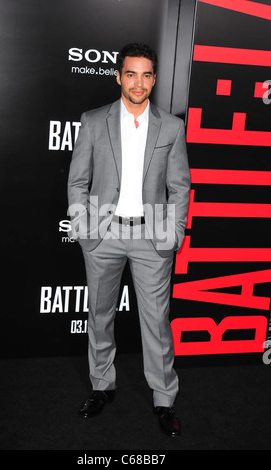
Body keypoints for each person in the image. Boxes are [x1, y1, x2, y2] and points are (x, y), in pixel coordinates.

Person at [67, 42, 190, 437]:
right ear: (119, 76)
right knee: (100, 316)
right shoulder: (92, 120)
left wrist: (174, 232)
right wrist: (83, 223)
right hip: (103, 233)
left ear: (154, 78)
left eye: (147, 74)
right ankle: (102, 386)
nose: (139, 83)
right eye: (131, 73)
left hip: (152, 235)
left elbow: (179, 186)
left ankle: (164, 399)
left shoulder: (171, 126)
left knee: (156, 322)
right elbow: (78, 180)